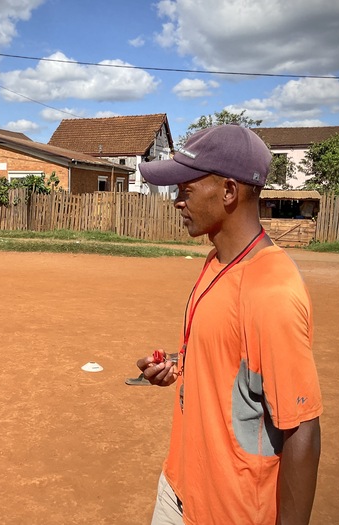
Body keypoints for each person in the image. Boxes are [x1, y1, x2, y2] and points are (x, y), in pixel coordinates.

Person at [135, 125, 322, 525]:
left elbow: (302, 428)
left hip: (230, 510)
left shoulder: (272, 291)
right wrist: (175, 365)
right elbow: (230, 358)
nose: (176, 202)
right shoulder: (215, 261)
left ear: (229, 192)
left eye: (184, 189)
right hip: (180, 487)